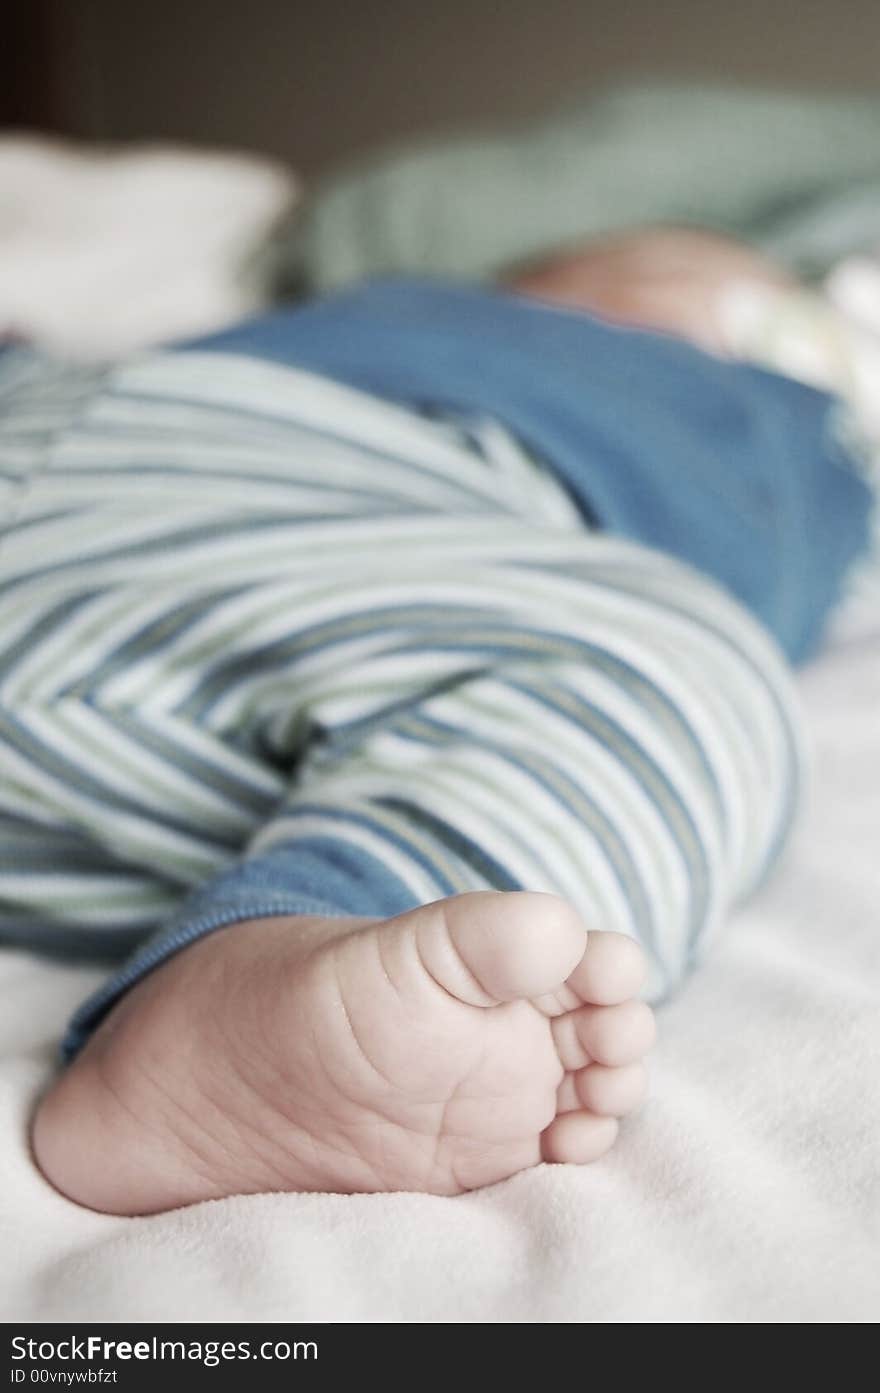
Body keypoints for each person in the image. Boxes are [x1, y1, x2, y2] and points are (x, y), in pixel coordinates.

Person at [3, 229, 870, 1214]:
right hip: (243, 462)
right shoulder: (483, 339)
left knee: (652, 671)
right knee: (654, 667)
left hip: (141, 556)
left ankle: (275, 987)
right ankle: (328, 936)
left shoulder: (811, 445)